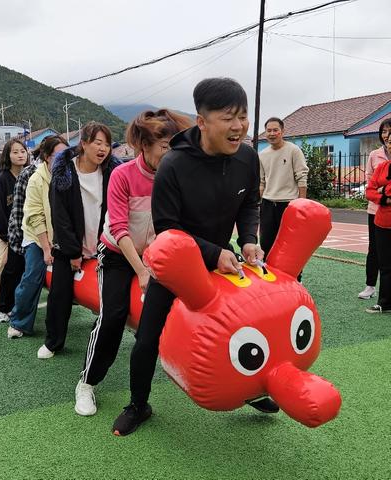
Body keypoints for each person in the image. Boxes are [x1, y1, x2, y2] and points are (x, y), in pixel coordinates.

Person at [112, 78, 274, 437]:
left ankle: (249, 391)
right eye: (229, 117)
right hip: (175, 264)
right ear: (202, 122)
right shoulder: (174, 165)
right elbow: (168, 227)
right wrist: (215, 253)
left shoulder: (247, 157)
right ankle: (138, 403)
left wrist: (248, 240)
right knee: (147, 338)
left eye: (243, 116)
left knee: (243, 330)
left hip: (223, 260)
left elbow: (249, 203)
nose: (239, 126)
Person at [73, 110, 192, 417]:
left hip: (157, 255)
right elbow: (119, 229)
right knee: (113, 315)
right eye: (165, 146)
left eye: (173, 146)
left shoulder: (176, 176)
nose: (170, 153)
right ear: (144, 145)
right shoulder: (122, 175)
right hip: (117, 254)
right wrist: (141, 270)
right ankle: (87, 383)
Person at [37, 122, 121, 360]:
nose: (103, 148)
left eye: (106, 144)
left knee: (114, 292)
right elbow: (60, 217)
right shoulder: (64, 173)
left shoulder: (113, 171)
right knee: (60, 294)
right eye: (97, 143)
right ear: (83, 144)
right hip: (69, 246)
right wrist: (74, 251)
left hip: (104, 243)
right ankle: (53, 341)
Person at [7, 135, 68, 338]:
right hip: (37, 235)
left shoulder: (70, 175)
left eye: (66, 154)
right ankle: (19, 321)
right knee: (33, 275)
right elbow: (34, 215)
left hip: (61, 234)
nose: (63, 159)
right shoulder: (35, 178)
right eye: (58, 155)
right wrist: (46, 247)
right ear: (47, 157)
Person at [259, 117, 309, 264]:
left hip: (289, 204)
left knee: (291, 244)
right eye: (269, 130)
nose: (272, 133)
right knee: (266, 242)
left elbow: (302, 178)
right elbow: (261, 182)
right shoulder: (262, 154)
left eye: (275, 130)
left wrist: (301, 204)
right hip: (268, 203)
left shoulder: (293, 150)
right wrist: (259, 202)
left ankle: (296, 278)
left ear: (282, 132)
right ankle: (268, 274)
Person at [0, 139, 29, 321]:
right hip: (9, 234)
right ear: (8, 155)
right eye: (15, 152)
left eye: (23, 151)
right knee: (10, 269)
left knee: (23, 271)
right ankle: (2, 307)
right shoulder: (2, 179)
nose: (20, 155)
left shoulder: (31, 174)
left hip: (28, 233)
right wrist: (5, 235)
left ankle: (17, 305)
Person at [358, 118, 391, 300]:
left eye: (389, 131)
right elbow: (370, 184)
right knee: (375, 249)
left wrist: (382, 188)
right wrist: (383, 193)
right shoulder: (374, 155)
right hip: (376, 210)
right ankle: (370, 286)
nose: (386, 136)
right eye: (384, 132)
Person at [365, 134, 391, 314]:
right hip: (382, 223)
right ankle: (385, 303)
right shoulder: (382, 167)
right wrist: (383, 197)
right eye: (390, 141)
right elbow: (369, 191)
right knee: (385, 265)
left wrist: (384, 188)